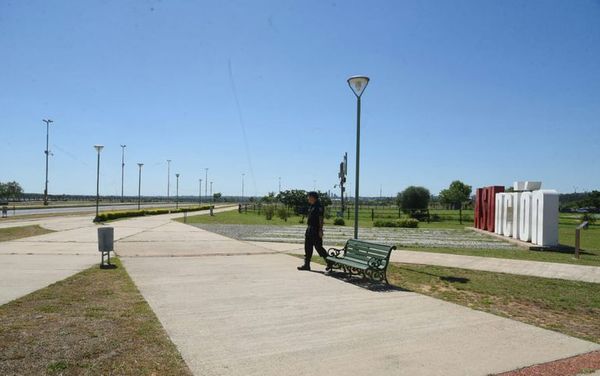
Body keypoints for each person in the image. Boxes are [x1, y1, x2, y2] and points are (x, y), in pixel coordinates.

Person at [298, 191, 331, 271]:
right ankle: (307, 265)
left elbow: (321, 218)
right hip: (309, 229)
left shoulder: (319, 206)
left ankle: (330, 262)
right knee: (308, 247)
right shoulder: (312, 206)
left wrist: (320, 230)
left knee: (318, 247)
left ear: (313, 197)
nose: (308, 198)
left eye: (309, 197)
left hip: (316, 229)